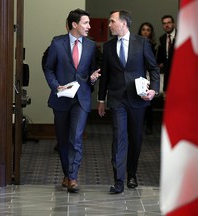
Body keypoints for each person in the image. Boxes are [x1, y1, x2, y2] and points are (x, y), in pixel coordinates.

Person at [97, 10, 160, 194]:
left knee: (136, 139)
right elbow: (105, 76)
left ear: (123, 23)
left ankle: (131, 174)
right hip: (117, 100)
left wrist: (153, 90)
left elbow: (153, 69)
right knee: (118, 138)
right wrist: (101, 99)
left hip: (138, 99)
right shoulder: (108, 47)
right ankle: (118, 180)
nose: (109, 25)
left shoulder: (142, 43)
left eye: (112, 22)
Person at [43, 8, 101, 193]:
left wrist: (93, 77)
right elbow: (48, 68)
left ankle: (73, 177)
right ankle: (67, 174)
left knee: (75, 138)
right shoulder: (57, 43)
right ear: (74, 24)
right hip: (61, 98)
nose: (89, 27)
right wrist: (55, 86)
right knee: (62, 140)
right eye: (86, 23)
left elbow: (92, 70)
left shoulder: (91, 46)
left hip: (81, 98)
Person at [137, 22, 157, 135]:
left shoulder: (153, 45)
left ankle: (149, 126)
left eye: (148, 30)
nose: (145, 32)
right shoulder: (135, 44)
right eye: (143, 29)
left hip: (149, 75)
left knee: (149, 102)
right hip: (138, 74)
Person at [156, 15, 177, 98]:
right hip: (167, 72)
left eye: (169, 23)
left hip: (179, 70)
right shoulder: (162, 38)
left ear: (173, 24)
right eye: (164, 23)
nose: (167, 25)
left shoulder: (181, 35)